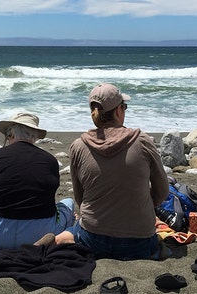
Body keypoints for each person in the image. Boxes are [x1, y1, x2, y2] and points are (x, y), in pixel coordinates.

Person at [54, 83, 169, 260]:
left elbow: (80, 198)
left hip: (93, 240)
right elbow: (162, 192)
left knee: (74, 227)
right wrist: (138, 206)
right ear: (118, 111)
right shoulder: (142, 141)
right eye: (124, 107)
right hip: (140, 243)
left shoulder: (78, 146)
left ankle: (61, 238)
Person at [0, 112, 75, 250]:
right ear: (34, 136)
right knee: (68, 203)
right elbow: (49, 199)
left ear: (11, 135)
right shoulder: (49, 160)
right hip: (38, 235)